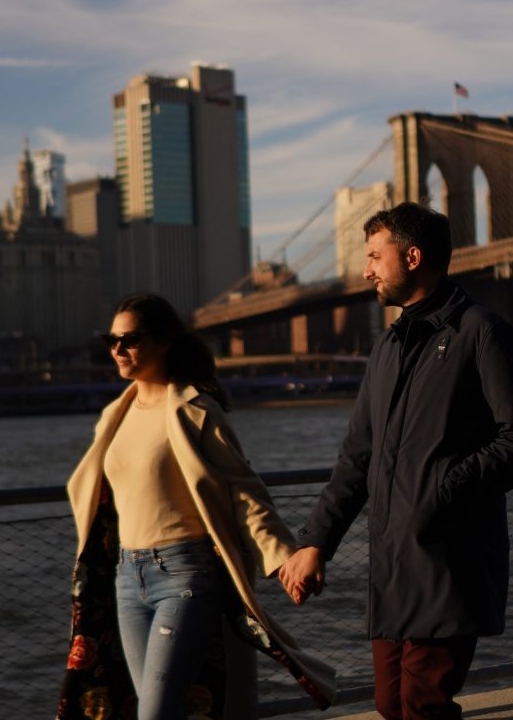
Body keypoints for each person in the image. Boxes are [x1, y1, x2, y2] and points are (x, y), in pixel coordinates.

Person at [280, 203, 513, 719]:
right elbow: (357, 458)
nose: (365, 270)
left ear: (412, 256)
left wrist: (443, 488)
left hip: (451, 562)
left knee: (420, 705)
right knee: (390, 704)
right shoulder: (387, 348)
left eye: (374, 256)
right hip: (392, 566)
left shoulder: (482, 333)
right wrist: (316, 542)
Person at [57, 293, 335, 720]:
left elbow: (244, 491)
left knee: (157, 713)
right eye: (110, 340)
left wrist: (283, 559)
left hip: (184, 575)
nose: (117, 350)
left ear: (164, 341)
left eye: (129, 339)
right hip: (126, 578)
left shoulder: (195, 410)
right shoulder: (115, 413)